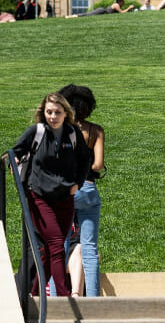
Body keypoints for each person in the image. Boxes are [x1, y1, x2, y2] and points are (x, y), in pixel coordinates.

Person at [11, 93, 92, 297]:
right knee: (57, 245)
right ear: (43, 112)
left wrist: (77, 183)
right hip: (39, 196)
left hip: (65, 197)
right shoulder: (36, 132)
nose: (53, 116)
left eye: (57, 112)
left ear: (66, 113)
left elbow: (85, 159)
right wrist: (15, 165)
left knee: (49, 250)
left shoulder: (72, 134)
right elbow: (14, 152)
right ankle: (64, 296)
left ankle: (35, 292)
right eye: (49, 112)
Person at [58, 84, 105, 297]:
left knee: (61, 245)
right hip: (89, 190)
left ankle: (57, 295)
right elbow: (98, 165)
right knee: (89, 249)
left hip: (67, 190)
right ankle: (93, 298)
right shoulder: (96, 131)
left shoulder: (63, 131)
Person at [69, 0, 135, 17]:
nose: (124, 3)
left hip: (102, 11)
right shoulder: (116, 5)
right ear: (120, 2)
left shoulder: (117, 4)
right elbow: (122, 12)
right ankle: (73, 16)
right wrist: (129, 8)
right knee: (88, 15)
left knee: (88, 14)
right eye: (123, 2)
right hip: (101, 11)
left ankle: (73, 16)